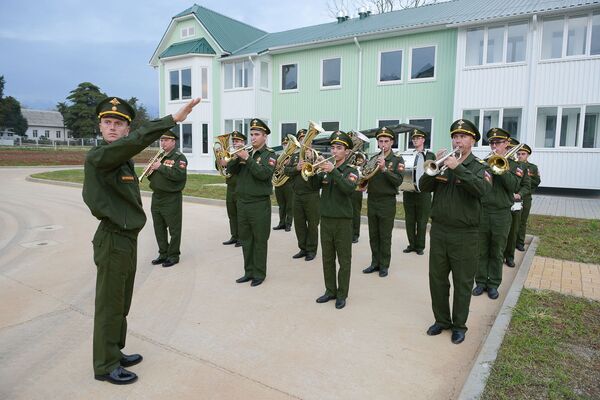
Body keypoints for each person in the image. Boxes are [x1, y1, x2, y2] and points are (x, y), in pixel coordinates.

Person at [83, 96, 200, 384]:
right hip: (113, 239)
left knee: (121, 302)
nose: (112, 127)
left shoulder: (120, 159)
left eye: (119, 123)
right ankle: (104, 365)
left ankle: (114, 350)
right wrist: (172, 120)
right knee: (109, 304)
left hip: (126, 238)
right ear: (100, 126)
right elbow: (134, 143)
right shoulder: (100, 157)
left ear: (125, 128)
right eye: (107, 122)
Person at [419, 119, 490, 345]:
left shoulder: (480, 166)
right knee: (437, 279)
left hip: (465, 234)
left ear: (473, 140)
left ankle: (459, 325)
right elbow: (424, 186)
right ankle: (442, 320)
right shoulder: (444, 162)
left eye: (463, 136)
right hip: (439, 231)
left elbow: (482, 190)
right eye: (455, 136)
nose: (458, 140)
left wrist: (458, 168)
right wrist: (435, 165)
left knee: (462, 282)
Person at [311, 131, 359, 309]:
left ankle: (342, 294)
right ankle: (330, 290)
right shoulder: (326, 168)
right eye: (333, 147)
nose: (335, 151)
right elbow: (314, 187)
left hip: (343, 221)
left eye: (339, 148)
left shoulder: (352, 170)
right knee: (327, 258)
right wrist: (313, 171)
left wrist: (335, 172)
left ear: (346, 151)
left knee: (344, 260)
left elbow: (348, 189)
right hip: (326, 219)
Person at [473, 128, 522, 300]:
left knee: (497, 250)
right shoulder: (483, 162)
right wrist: (489, 166)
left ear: (507, 144)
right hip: (484, 211)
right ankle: (480, 281)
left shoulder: (515, 165)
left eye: (498, 142)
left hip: (501, 213)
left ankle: (493, 284)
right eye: (492, 143)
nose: (494, 146)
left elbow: (514, 187)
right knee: (481, 249)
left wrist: (501, 169)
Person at [228, 118, 276, 287]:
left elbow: (263, 175)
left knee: (259, 240)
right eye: (252, 134)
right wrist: (235, 158)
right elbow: (229, 170)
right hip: (242, 203)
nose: (253, 138)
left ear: (265, 137)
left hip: (259, 204)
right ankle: (248, 272)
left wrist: (247, 159)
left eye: (257, 134)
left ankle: (259, 273)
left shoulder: (269, 155)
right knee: (246, 239)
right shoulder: (246, 152)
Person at [362, 127, 404, 278]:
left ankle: (384, 265)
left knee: (385, 236)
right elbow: (366, 176)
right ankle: (375, 263)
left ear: (392, 142)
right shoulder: (373, 158)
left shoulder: (397, 159)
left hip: (387, 201)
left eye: (386, 141)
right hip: (372, 200)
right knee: (373, 235)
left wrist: (384, 169)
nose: (383, 144)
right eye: (380, 141)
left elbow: (398, 181)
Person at [148, 130, 188, 268]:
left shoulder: (179, 157)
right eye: (161, 140)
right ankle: (163, 253)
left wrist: (161, 167)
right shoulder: (160, 156)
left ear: (173, 141)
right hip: (157, 196)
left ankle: (173, 255)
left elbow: (179, 175)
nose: (163, 143)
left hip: (171, 197)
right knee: (158, 227)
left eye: (166, 140)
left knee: (174, 229)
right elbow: (153, 176)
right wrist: (151, 170)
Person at [284, 128, 320, 261]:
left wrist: (312, 162)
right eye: (302, 140)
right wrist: (296, 168)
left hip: (312, 195)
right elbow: (286, 171)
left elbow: (321, 176)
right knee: (299, 223)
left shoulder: (317, 155)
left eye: (308, 140)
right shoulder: (294, 156)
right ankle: (303, 248)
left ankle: (311, 250)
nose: (305, 142)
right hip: (297, 194)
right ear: (299, 141)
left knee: (312, 224)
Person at [402, 128, 436, 255]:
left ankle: (420, 246)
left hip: (424, 192)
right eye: (414, 138)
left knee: (422, 220)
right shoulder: (407, 154)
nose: (415, 140)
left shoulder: (430, 155)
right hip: (409, 190)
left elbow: (433, 170)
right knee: (409, 219)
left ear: (423, 140)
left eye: (418, 138)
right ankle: (411, 244)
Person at [503, 138, 530, 268]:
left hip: (514, 203)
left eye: (511, 149)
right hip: (500, 204)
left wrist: (519, 194)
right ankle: (500, 255)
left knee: (513, 232)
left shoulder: (521, 166)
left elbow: (526, 185)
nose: (509, 151)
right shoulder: (496, 162)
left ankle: (509, 256)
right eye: (507, 149)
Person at [220, 131, 246, 247]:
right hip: (230, 187)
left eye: (238, 141)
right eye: (234, 141)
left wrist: (229, 161)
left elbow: (235, 168)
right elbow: (220, 166)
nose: (235, 143)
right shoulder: (230, 154)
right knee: (232, 214)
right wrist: (219, 160)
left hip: (240, 187)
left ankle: (242, 237)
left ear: (243, 142)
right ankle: (234, 236)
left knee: (241, 214)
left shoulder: (244, 154)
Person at [516, 144, 541, 251]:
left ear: (528, 155)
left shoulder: (533, 167)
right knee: (513, 221)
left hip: (526, 197)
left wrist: (526, 182)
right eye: (518, 154)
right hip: (515, 196)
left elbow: (537, 181)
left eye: (523, 154)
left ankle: (520, 242)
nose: (520, 156)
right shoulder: (514, 165)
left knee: (522, 221)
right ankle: (511, 242)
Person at [273, 135, 294, 232]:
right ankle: (281, 223)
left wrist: (287, 165)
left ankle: (288, 224)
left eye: (287, 144)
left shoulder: (293, 157)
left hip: (289, 183)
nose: (285, 146)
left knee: (289, 205)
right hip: (279, 184)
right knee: (281, 205)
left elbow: (294, 170)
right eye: (284, 144)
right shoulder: (278, 156)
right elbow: (274, 169)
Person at [351, 153, 366, 244]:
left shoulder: (360, 156)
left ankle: (355, 234)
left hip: (357, 190)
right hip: (347, 188)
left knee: (355, 213)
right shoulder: (350, 154)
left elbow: (364, 174)